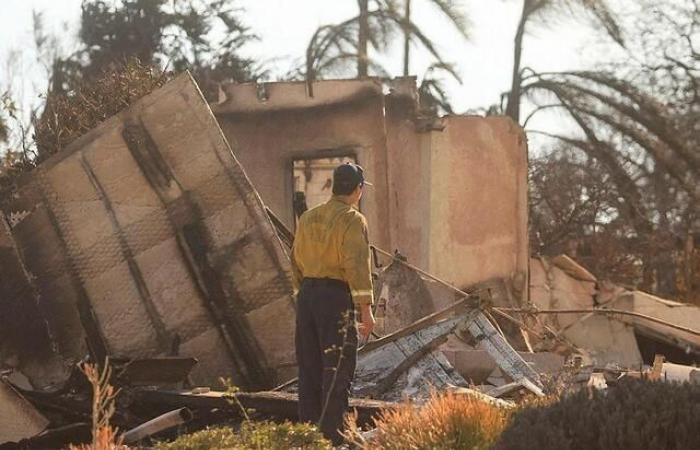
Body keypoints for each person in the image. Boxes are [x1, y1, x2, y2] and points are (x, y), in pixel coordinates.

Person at [291, 162, 376, 445]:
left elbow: (296, 262)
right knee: (336, 369)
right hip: (334, 297)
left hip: (307, 297)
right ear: (358, 190)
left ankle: (308, 436)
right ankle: (332, 438)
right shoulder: (352, 219)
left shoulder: (308, 218)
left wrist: (303, 298)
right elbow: (356, 266)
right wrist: (367, 310)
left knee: (309, 368)